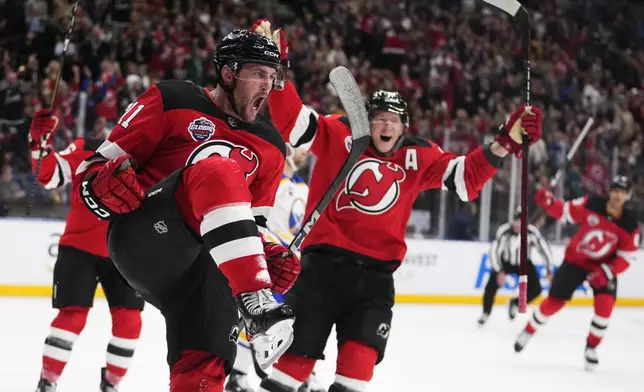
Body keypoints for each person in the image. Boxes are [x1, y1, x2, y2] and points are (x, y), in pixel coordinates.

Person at [250, 20, 544, 392]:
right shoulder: (338, 132)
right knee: (289, 371)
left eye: (393, 121)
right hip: (321, 270)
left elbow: (466, 180)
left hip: (374, 281)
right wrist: (275, 72)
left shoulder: (418, 155)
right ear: (365, 121)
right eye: (377, 120)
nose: (385, 127)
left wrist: (506, 141)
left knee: (356, 374)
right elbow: (292, 120)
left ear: (403, 127)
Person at [76, 30, 301, 392]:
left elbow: (247, 227)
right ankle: (256, 302)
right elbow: (91, 171)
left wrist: (266, 256)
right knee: (218, 168)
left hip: (206, 267)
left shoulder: (272, 146)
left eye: (273, 76)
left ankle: (252, 297)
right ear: (228, 73)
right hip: (146, 237)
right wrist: (100, 185)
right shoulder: (172, 98)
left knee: (203, 368)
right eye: (259, 73)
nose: (268, 84)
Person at [28, 111, 144, 392]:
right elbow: (48, 174)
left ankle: (111, 385)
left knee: (129, 321)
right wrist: (37, 143)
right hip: (78, 249)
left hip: (123, 253)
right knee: (72, 316)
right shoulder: (86, 148)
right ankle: (47, 382)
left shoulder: (147, 156)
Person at [514, 175, 639, 371]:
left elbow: (627, 257)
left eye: (622, 192)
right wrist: (548, 202)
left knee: (605, 307)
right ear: (609, 191)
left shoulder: (630, 224)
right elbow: (565, 212)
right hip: (575, 261)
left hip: (603, 267)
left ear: (628, 196)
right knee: (553, 303)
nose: (618, 195)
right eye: (615, 190)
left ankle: (591, 348)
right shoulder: (591, 204)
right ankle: (529, 329)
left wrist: (607, 271)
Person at [225, 146, 324, 392]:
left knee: (283, 322)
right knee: (266, 321)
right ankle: (241, 374)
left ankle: (239, 374)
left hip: (291, 267)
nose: (305, 153)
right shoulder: (271, 178)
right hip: (269, 263)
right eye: (300, 148)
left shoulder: (302, 185)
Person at [477, 207, 553, 326]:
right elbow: (494, 251)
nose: (518, 224)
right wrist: (499, 271)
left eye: (521, 222)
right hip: (506, 263)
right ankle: (485, 313)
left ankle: (515, 303)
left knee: (536, 289)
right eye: (516, 221)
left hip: (524, 263)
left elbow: (544, 250)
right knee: (490, 287)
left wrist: (549, 269)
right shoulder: (504, 231)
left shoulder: (532, 232)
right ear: (512, 220)